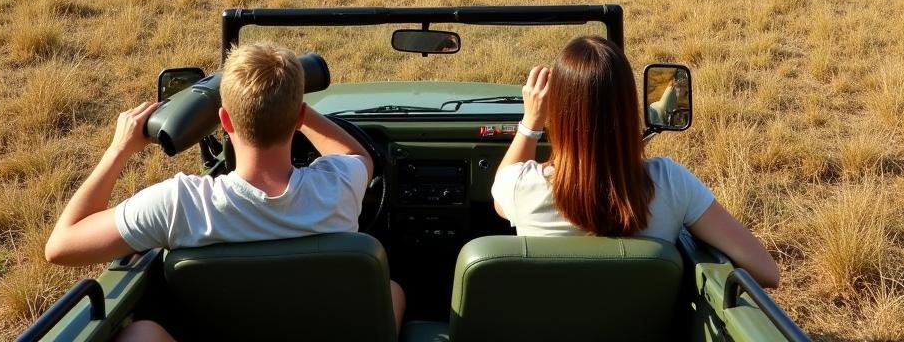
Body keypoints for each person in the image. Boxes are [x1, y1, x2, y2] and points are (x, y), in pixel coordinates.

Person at [46, 42, 406, 341]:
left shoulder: (178, 203)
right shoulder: (338, 186)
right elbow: (356, 154)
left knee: (139, 333)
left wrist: (118, 149)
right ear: (298, 119)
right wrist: (298, 111)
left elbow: (61, 247)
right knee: (390, 290)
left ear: (225, 121)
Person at [491, 36, 780, 288]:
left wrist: (530, 124)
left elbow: (499, 199)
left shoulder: (520, 186)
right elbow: (767, 272)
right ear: (630, 107)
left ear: (557, 113)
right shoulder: (671, 182)